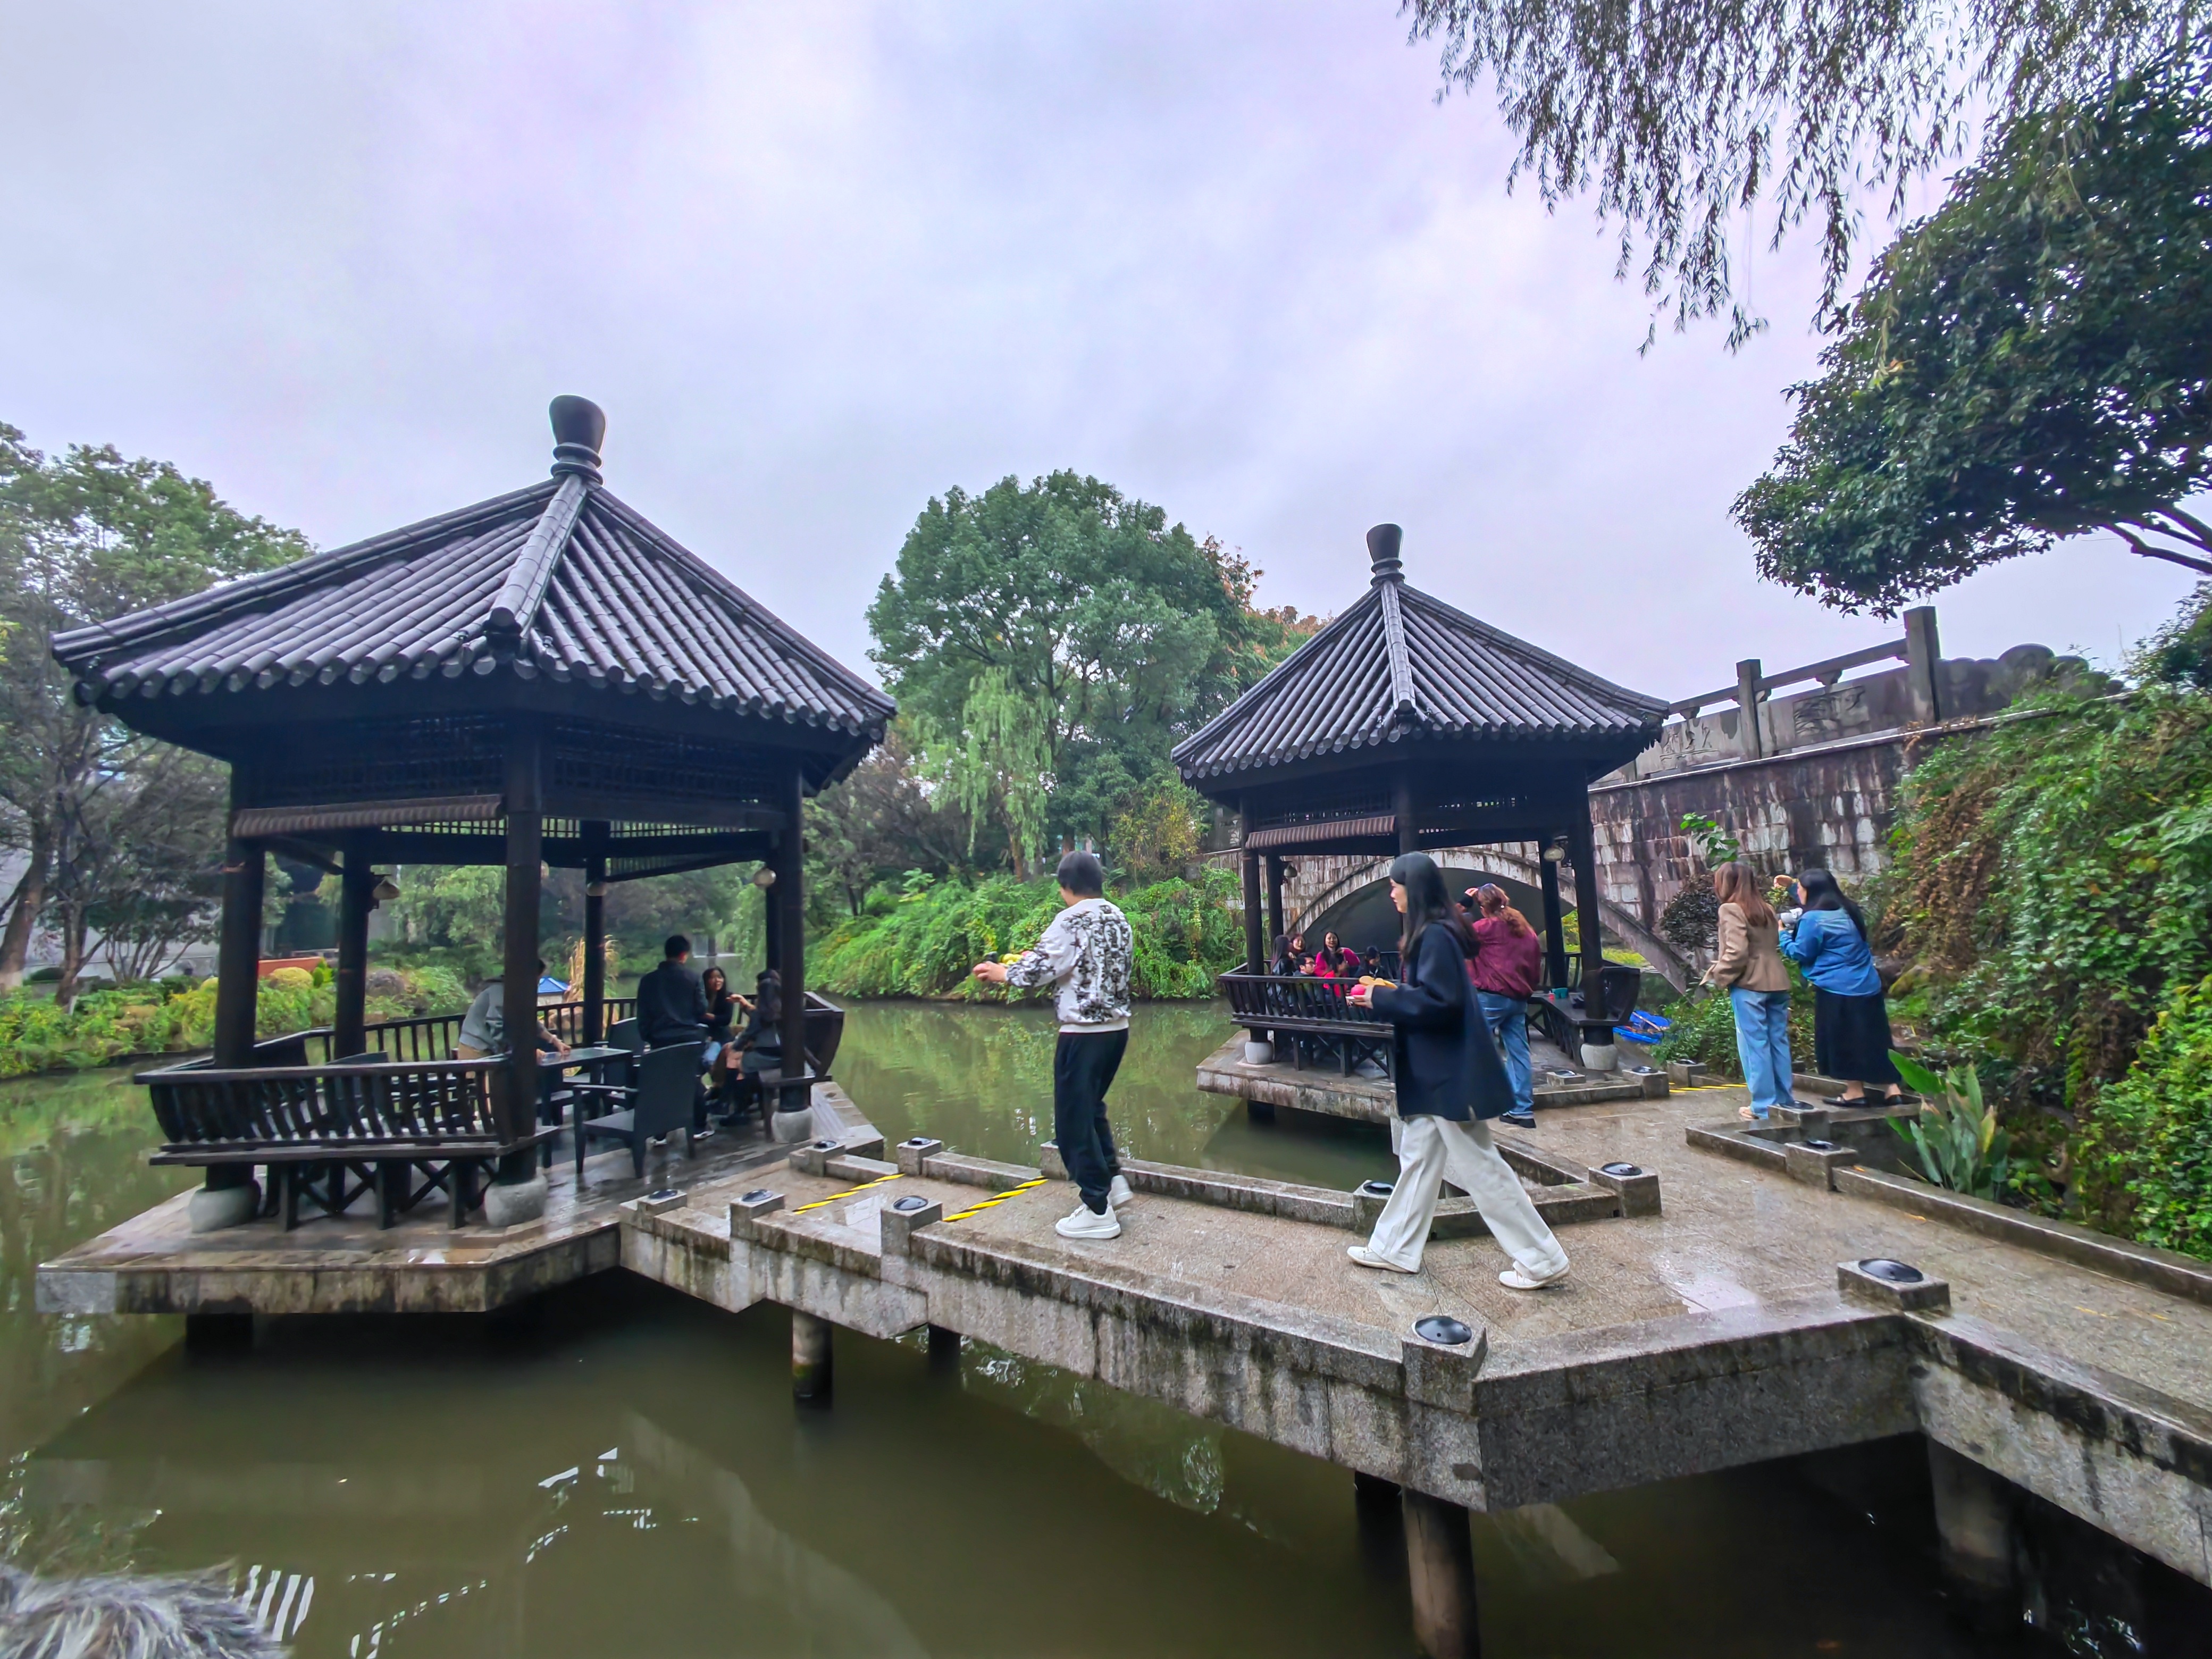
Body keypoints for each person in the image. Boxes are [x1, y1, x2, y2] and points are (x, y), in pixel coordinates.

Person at [1345, 853, 1571, 1289]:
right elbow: (1436, 994)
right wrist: (1391, 993)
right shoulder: (1439, 932)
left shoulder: (1434, 935)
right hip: (1438, 1073)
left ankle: (1542, 1258)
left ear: (1414, 888)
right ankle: (1394, 1248)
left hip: (1448, 1073)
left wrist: (1382, 999)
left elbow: (1441, 1003)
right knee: (1418, 1159)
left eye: (1395, 885)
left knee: (1481, 1167)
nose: (1391, 893)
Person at [972, 850, 1134, 1241]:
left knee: (1072, 1122)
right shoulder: (1118, 917)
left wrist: (1002, 972)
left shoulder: (1070, 919)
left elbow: (1039, 969)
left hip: (1083, 1035)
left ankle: (1097, 1210)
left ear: (1065, 887)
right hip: (1117, 1031)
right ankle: (1112, 1181)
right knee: (1090, 1108)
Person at [1781, 869, 1904, 1104]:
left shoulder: (1812, 920)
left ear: (1811, 892)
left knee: (1844, 1040)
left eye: (1801, 889)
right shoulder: (1850, 910)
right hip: (1868, 985)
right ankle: (1892, 1089)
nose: (1800, 893)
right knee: (1875, 1037)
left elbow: (1801, 952)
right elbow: (1816, 899)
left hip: (1836, 989)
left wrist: (1783, 934)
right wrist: (1792, 886)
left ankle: (1855, 1092)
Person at [1703, 862, 1797, 1121]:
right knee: (1778, 1041)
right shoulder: (1766, 908)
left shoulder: (1730, 909)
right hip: (1776, 980)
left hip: (1750, 983)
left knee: (1755, 1044)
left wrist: (1718, 976)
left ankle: (1763, 1106)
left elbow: (1736, 952)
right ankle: (1784, 1101)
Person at [1469, 884, 1544, 1128]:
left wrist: (1462, 905)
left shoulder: (1484, 928)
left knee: (1472, 1044)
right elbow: (1535, 963)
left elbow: (1455, 937)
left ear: (1483, 908)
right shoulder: (1525, 929)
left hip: (1491, 996)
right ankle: (1522, 1110)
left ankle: (1474, 1102)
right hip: (1518, 998)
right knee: (1519, 1053)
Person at [455, 959, 570, 1060]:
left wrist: (555, 1041)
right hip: (476, 1049)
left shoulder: (517, 992)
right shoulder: (500, 991)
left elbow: (530, 1021)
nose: (536, 985)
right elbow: (497, 1026)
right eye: (537, 981)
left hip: (492, 1048)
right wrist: (525, 1051)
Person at [636, 934, 710, 1049]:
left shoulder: (648, 980)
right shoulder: (694, 978)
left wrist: (650, 1037)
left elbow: (643, 1015)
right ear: (683, 955)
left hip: (660, 1041)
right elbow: (702, 1008)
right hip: (690, 1039)